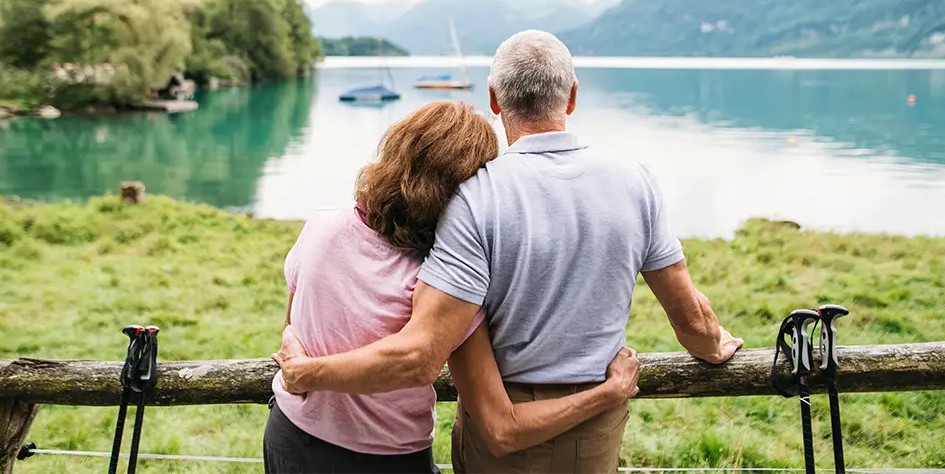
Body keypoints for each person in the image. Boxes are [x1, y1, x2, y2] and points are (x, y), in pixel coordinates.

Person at [275, 31, 744, 474]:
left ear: (495, 99)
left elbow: (414, 344)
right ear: (573, 96)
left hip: (486, 415)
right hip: (591, 430)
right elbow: (691, 320)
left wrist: (303, 373)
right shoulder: (636, 180)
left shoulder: (474, 198)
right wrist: (714, 343)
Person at [265, 100, 642, 474]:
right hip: (383, 458)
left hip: (289, 436)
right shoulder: (443, 288)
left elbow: (292, 333)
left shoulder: (320, 228)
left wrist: (304, 372)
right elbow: (503, 426)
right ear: (462, 191)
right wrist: (609, 393)